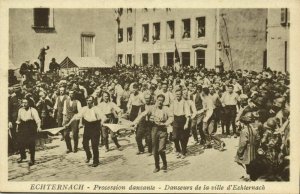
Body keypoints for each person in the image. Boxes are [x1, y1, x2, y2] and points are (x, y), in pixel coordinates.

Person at [133, 94, 173, 173]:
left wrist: (166, 123)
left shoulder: (166, 108)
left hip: (163, 129)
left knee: (161, 149)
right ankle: (157, 166)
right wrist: (135, 122)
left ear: (163, 101)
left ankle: (164, 163)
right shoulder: (152, 108)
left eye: (162, 100)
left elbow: (171, 117)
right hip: (154, 129)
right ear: (156, 100)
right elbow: (142, 114)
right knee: (155, 149)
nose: (160, 102)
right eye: (159, 100)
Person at [66, 96, 106, 167]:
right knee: (84, 144)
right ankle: (89, 155)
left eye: (90, 100)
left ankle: (96, 161)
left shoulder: (96, 109)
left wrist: (102, 122)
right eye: (87, 100)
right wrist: (68, 124)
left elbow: (104, 117)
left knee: (94, 145)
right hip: (87, 127)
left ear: (93, 101)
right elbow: (76, 116)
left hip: (95, 126)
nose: (88, 102)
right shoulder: (84, 109)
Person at [16, 97, 42, 166]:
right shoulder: (20, 110)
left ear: (29, 103)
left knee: (31, 143)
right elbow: (18, 120)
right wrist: (17, 127)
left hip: (30, 127)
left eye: (26, 103)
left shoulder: (33, 110)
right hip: (22, 126)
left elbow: (38, 120)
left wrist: (39, 127)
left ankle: (32, 159)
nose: (24, 104)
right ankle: (23, 156)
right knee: (20, 142)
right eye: (23, 103)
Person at [170, 86, 191, 159]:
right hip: (175, 120)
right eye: (176, 95)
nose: (178, 96)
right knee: (175, 137)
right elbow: (171, 112)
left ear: (181, 95)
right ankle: (178, 150)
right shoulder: (173, 102)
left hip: (182, 119)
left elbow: (188, 114)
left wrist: (187, 123)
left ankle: (183, 152)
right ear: (175, 95)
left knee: (182, 138)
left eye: (179, 95)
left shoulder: (184, 102)